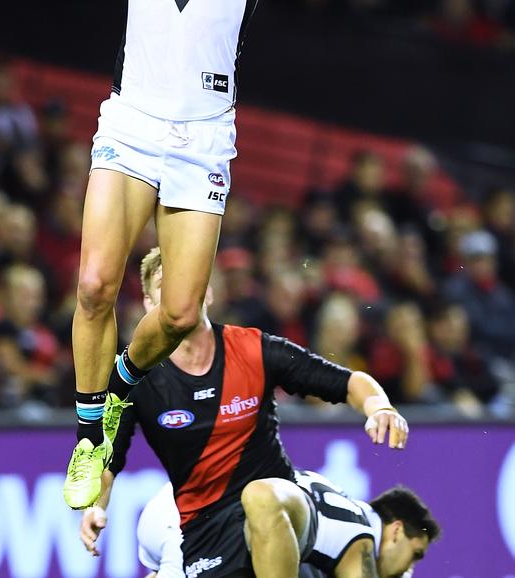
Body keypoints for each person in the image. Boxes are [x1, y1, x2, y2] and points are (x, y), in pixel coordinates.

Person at [65, 0, 278, 508]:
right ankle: (92, 435)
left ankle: (122, 379)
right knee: (93, 284)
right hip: (132, 125)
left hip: (201, 140)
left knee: (181, 311)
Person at [80, 247, 410, 578]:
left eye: (185, 281)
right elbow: (108, 457)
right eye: (165, 284)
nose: (177, 292)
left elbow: (348, 382)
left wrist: (378, 406)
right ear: (149, 305)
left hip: (285, 506)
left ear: (205, 292)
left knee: (261, 496)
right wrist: (96, 506)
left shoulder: (254, 349)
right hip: (205, 533)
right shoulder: (133, 379)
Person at [126, 477, 439, 578]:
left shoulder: (332, 494)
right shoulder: (362, 543)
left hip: (172, 503)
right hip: (196, 525)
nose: (408, 570)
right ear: (396, 530)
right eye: (416, 554)